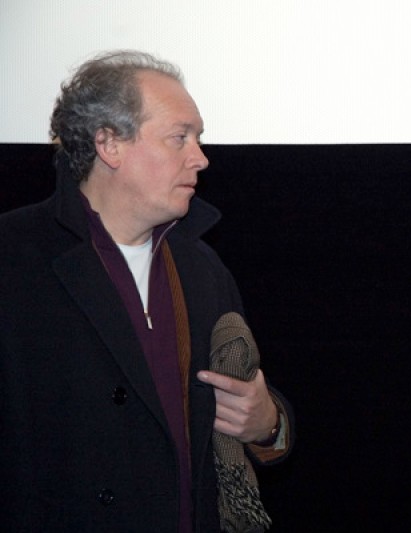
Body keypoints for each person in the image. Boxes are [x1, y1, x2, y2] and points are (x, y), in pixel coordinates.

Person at [0, 50, 294, 532]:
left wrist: (269, 424)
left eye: (198, 138)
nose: (200, 158)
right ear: (110, 144)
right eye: (180, 137)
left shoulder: (203, 267)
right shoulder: (14, 260)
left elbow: (249, 413)